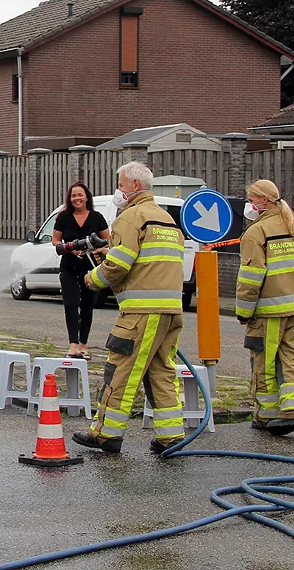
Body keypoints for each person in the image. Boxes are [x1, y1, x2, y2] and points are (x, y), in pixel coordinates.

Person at [72, 161, 187, 454]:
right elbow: (148, 260)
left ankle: (105, 434)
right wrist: (109, 251)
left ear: (134, 186)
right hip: (171, 311)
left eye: (121, 185)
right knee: (161, 372)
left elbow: (119, 267)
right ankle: (171, 437)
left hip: (139, 313)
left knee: (120, 371)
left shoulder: (130, 217)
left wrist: (92, 278)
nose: (118, 191)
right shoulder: (166, 219)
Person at [236, 180, 294, 436]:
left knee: (264, 362)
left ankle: (266, 416)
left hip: (268, 313)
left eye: (251, 200)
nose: (249, 205)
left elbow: (250, 278)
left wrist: (244, 312)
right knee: (293, 358)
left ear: (264, 201)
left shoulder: (256, 233)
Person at [51, 181, 110, 360]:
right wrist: (70, 248)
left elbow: (108, 240)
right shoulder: (63, 217)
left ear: (86, 197)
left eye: (80, 195)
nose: (77, 198)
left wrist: (98, 250)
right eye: (74, 195)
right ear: (70, 199)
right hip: (68, 267)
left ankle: (84, 345)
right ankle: (73, 345)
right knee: (71, 304)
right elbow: (55, 241)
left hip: (90, 269)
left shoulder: (97, 217)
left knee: (86, 306)